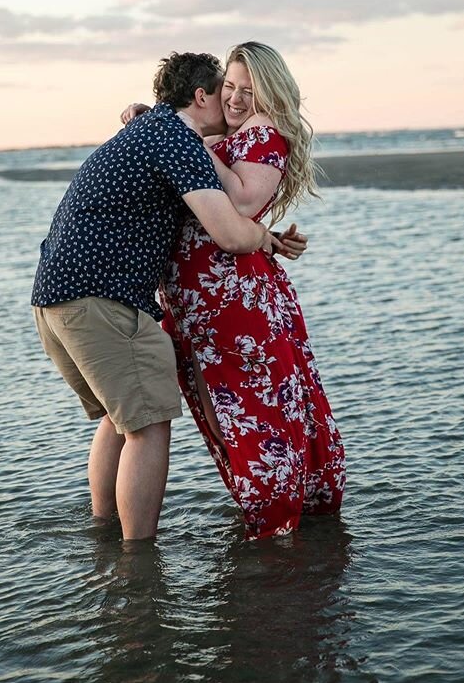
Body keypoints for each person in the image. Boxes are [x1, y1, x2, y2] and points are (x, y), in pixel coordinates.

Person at [31, 51, 303, 542]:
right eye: (224, 91)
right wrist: (266, 238)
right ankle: (138, 559)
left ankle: (103, 532)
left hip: (55, 298)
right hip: (101, 300)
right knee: (149, 425)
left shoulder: (152, 129)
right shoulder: (177, 139)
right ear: (201, 97)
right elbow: (230, 233)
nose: (231, 101)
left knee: (121, 419)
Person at [122, 42, 346, 539]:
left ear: (271, 93)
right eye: (230, 87)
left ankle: (276, 521)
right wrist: (151, 117)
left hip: (232, 297)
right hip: (196, 295)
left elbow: (243, 201)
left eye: (251, 90)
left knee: (249, 406)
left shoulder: (266, 134)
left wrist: (192, 146)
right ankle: (272, 515)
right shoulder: (228, 129)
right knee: (226, 406)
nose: (238, 98)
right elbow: (185, 120)